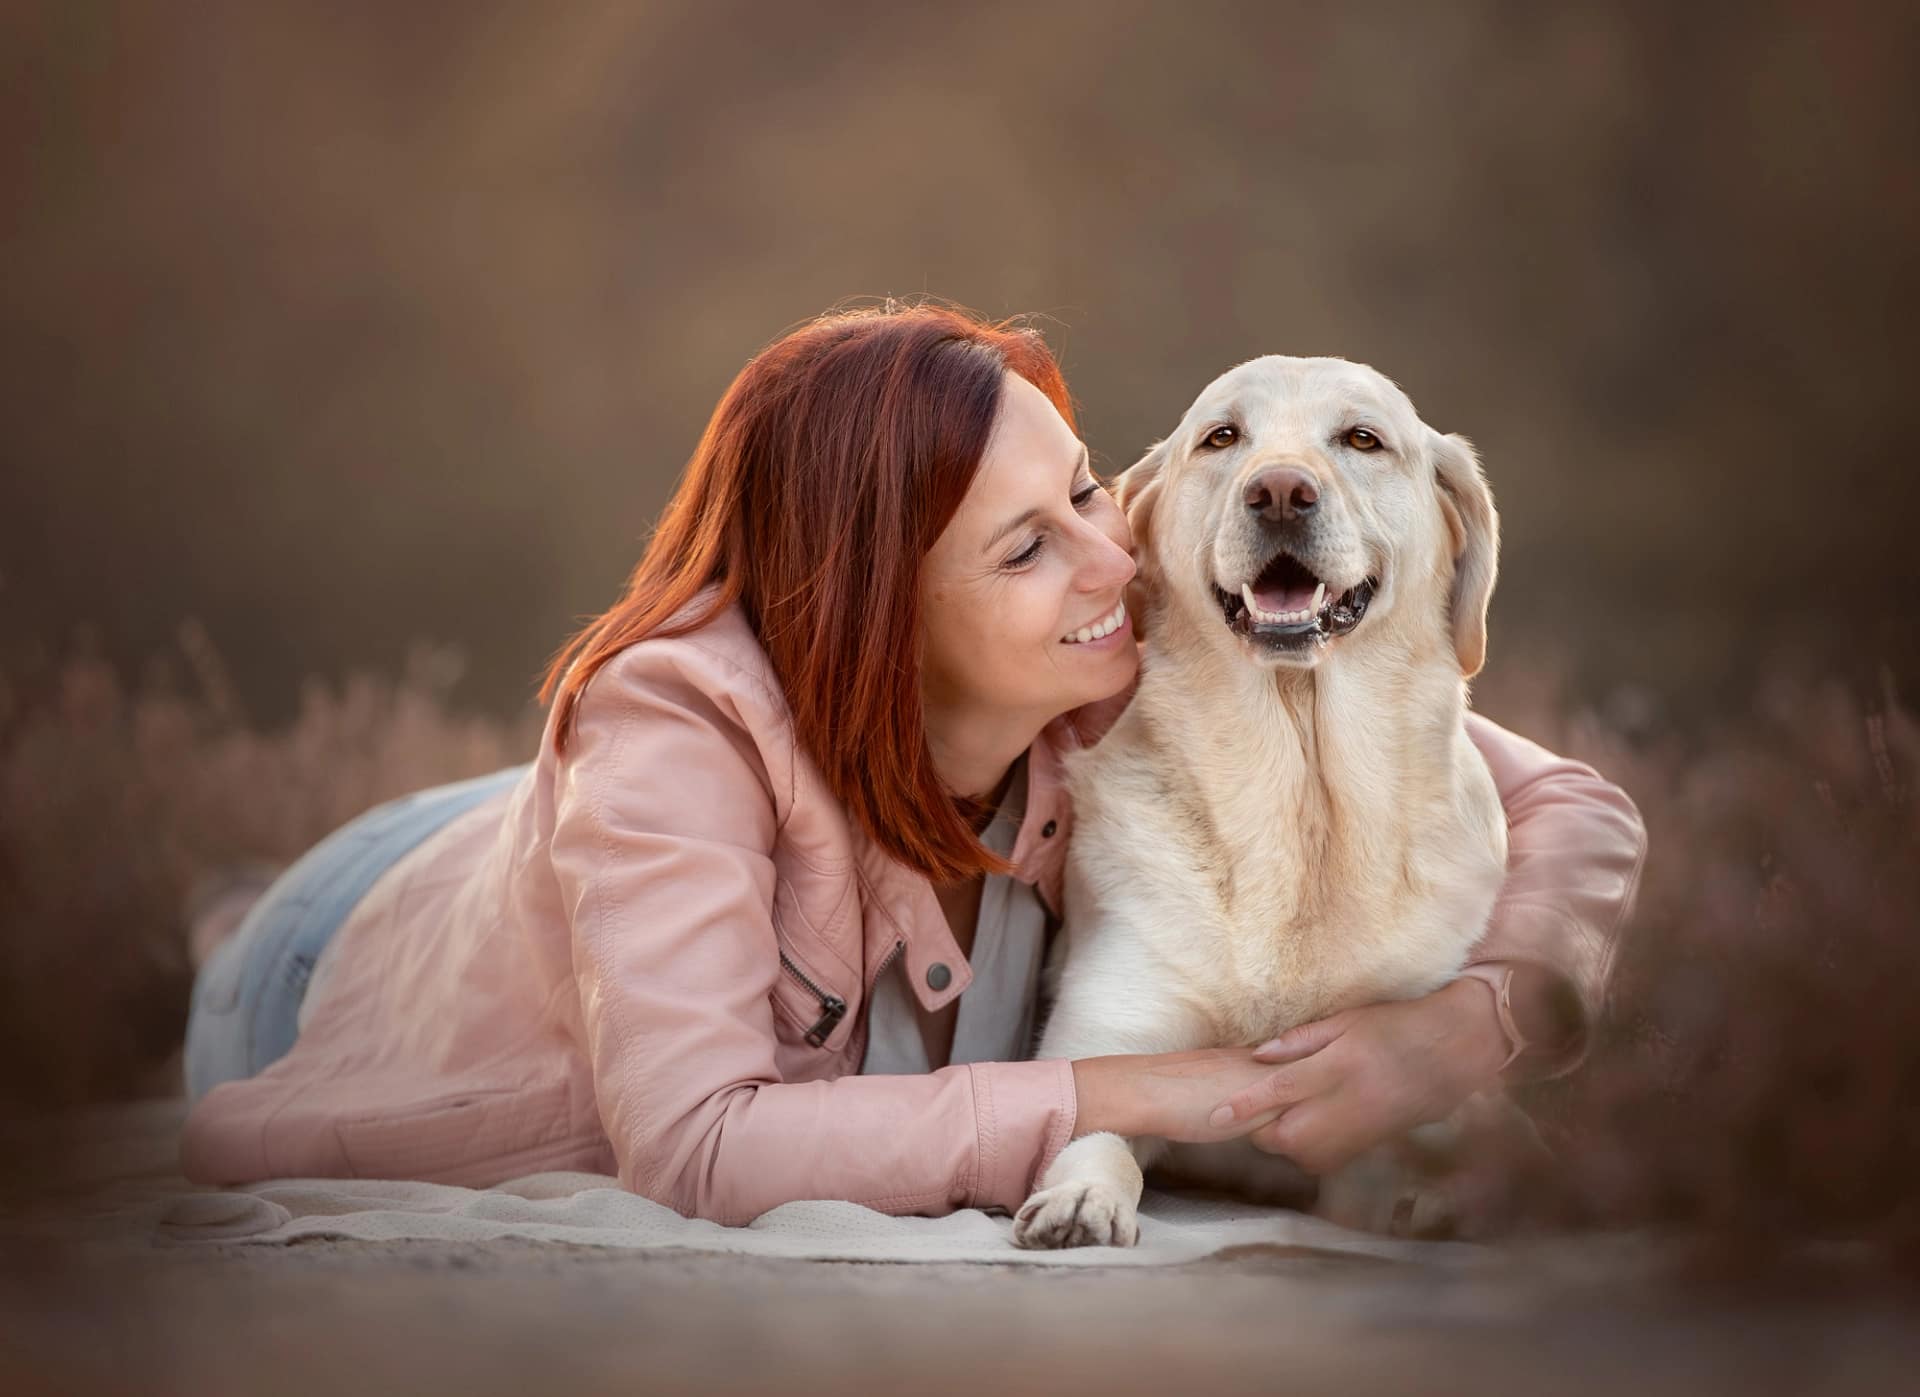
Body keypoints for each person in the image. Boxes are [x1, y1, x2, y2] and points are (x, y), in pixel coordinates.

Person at [180, 301, 1646, 1226]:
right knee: (258, 940)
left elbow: (1567, 801)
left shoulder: (1134, 656)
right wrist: (1156, 1096)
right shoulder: (673, 724)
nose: (1114, 553)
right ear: (888, 610)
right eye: (1031, 544)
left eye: (1085, 491)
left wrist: (1477, 1025)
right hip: (346, 953)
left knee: (543, 835)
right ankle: (220, 916)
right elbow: (696, 1147)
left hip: (527, 833)